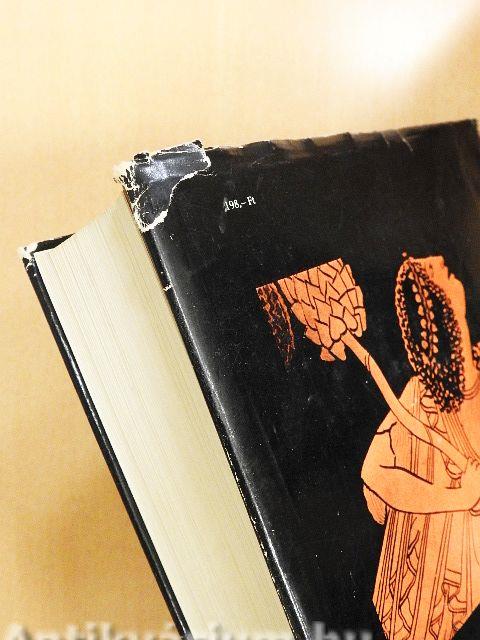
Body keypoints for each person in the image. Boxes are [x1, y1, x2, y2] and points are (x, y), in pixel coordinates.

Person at [362, 255, 480, 640]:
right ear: (435, 311)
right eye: (434, 270)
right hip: (438, 596)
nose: (442, 261)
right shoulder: (421, 397)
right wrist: (459, 497)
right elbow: (374, 473)